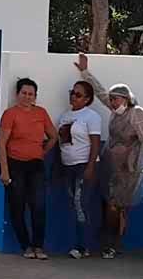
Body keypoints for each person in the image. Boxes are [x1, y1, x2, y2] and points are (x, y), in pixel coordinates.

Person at [75, 53, 143, 260]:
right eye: (112, 100)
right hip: (111, 165)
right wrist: (85, 72)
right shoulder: (115, 112)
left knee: (118, 207)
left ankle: (112, 245)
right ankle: (109, 244)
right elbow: (102, 92)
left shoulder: (136, 113)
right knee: (110, 204)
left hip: (129, 169)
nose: (112, 102)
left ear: (127, 99)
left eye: (116, 99)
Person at [0, 78, 58, 260]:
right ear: (17, 94)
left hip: (35, 165)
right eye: (24, 93)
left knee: (38, 206)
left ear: (35, 96)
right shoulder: (10, 114)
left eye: (31, 94)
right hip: (15, 164)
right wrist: (5, 170)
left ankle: (38, 246)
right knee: (17, 207)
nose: (27, 96)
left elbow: (53, 137)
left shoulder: (41, 113)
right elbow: (1, 144)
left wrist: (42, 151)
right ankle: (25, 246)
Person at [57, 80, 101, 259]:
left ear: (87, 99)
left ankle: (83, 246)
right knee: (74, 205)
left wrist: (90, 166)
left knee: (80, 204)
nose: (73, 96)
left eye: (78, 94)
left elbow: (95, 143)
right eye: (72, 92)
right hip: (68, 166)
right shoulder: (64, 116)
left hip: (84, 165)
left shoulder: (91, 117)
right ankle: (81, 243)